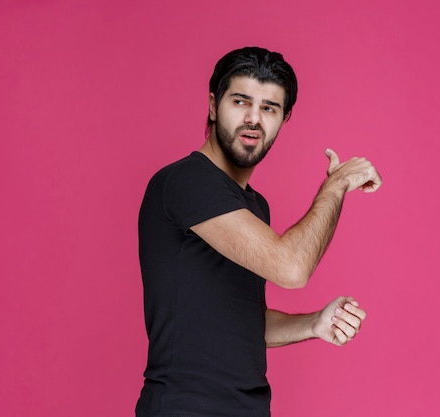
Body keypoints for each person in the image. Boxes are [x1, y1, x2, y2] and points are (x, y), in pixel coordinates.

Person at [136, 46, 382, 417]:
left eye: (269, 108)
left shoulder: (252, 205)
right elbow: (291, 268)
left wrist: (314, 323)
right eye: (240, 101)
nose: (253, 119)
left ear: (284, 120)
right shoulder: (186, 181)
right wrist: (337, 185)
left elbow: (244, 320)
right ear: (212, 104)